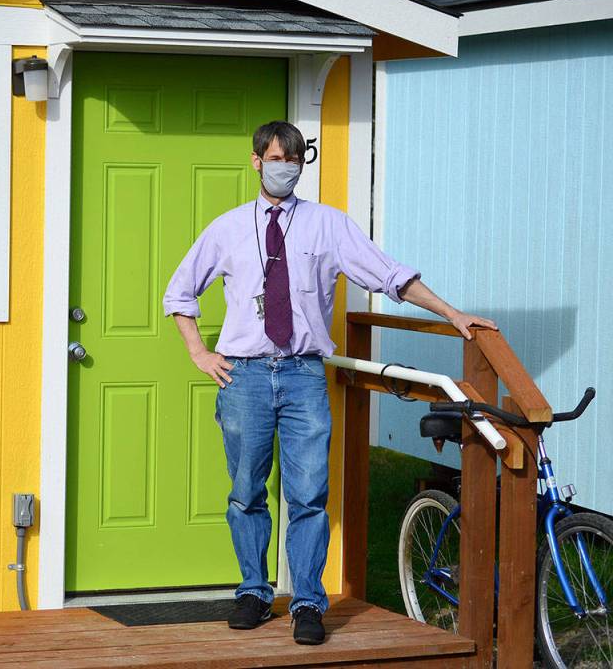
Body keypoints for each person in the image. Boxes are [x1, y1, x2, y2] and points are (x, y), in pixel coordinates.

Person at [162, 120, 496, 645]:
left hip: (303, 376)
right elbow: (179, 293)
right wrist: (199, 353)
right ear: (256, 162)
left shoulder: (328, 225)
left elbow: (390, 275)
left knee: (309, 494)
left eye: (295, 161)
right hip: (245, 378)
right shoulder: (226, 229)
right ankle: (253, 592)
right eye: (277, 159)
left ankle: (307, 603)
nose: (286, 169)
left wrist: (451, 312)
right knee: (246, 492)